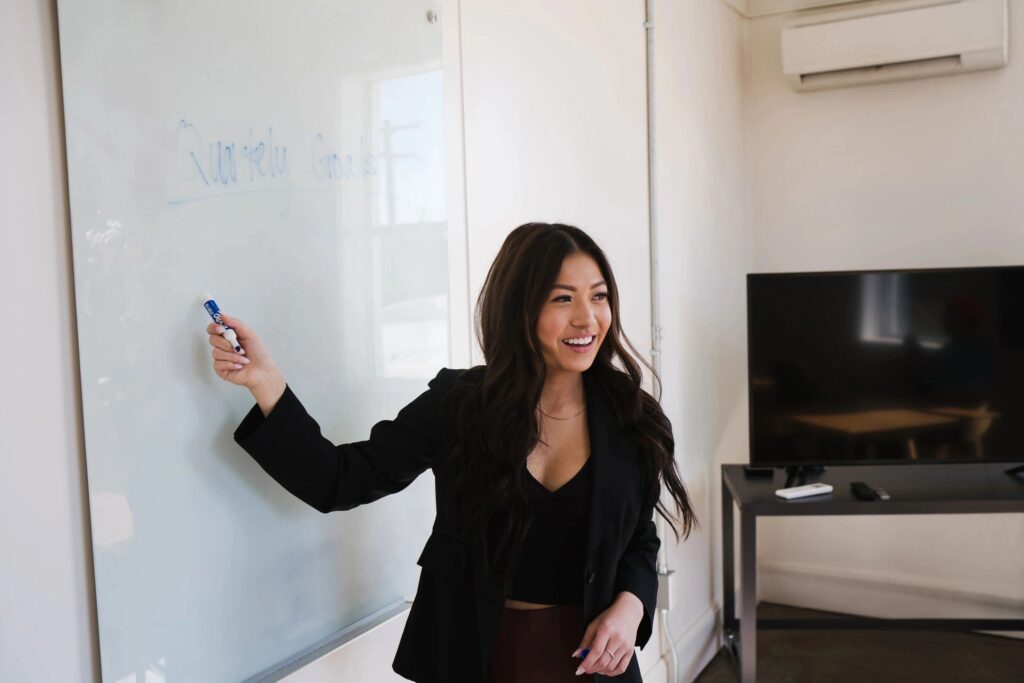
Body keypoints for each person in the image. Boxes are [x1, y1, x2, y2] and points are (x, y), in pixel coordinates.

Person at [206, 222, 697, 682]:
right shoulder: (460, 406)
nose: (587, 318)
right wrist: (266, 382)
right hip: (475, 655)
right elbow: (339, 478)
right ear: (519, 308)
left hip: (589, 663)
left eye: (599, 297)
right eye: (562, 299)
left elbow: (637, 538)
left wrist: (631, 607)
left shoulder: (632, 417)